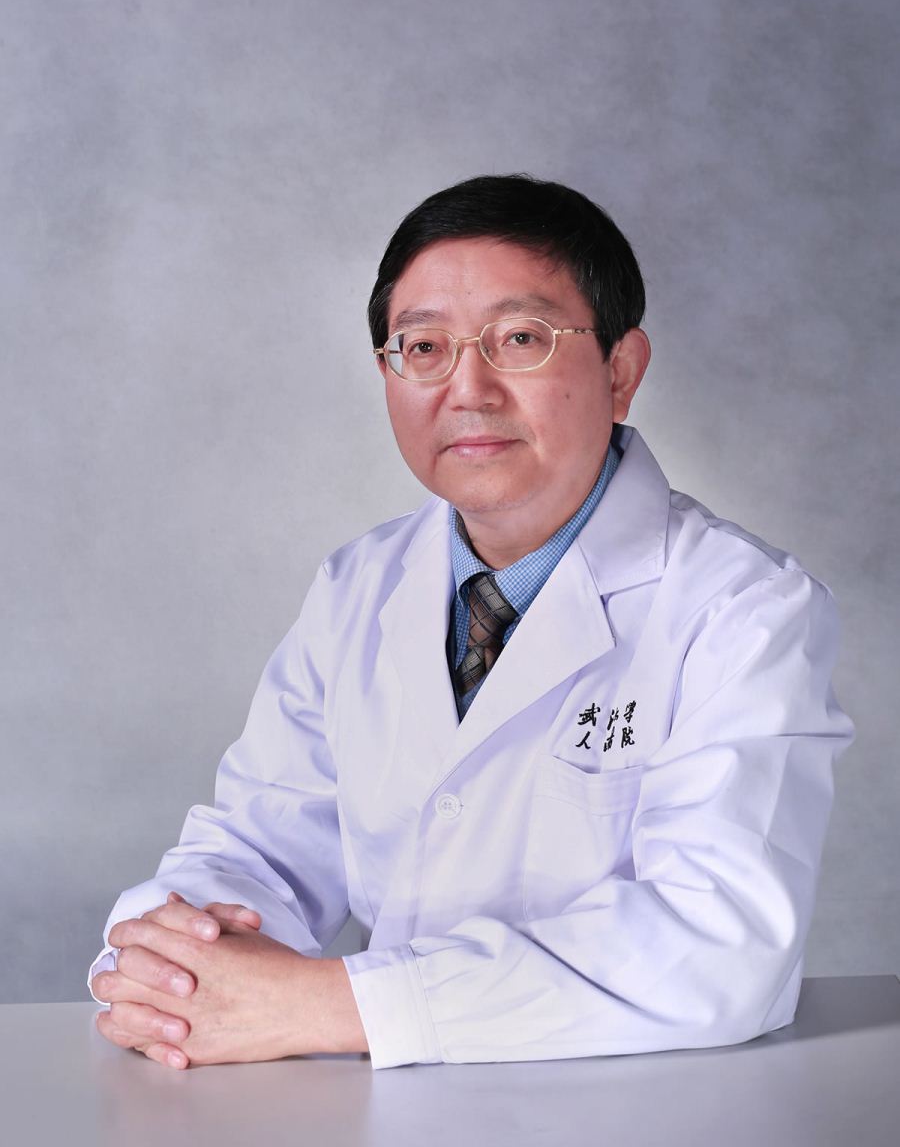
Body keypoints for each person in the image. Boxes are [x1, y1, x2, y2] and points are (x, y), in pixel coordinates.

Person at [88, 174, 854, 1071]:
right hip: (388, 1113)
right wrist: (169, 963)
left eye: (520, 339)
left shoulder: (744, 609)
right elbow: (259, 848)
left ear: (621, 371)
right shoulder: (358, 587)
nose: (468, 389)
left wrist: (333, 1006)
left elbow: (720, 943)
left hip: (637, 1112)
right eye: (423, 347)